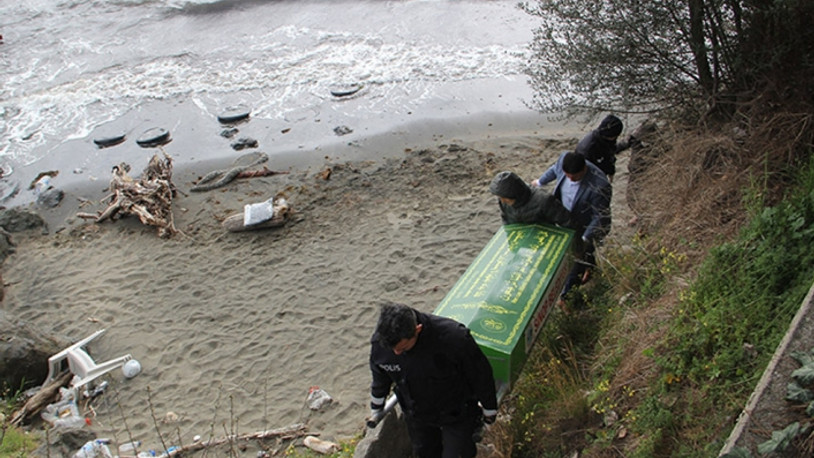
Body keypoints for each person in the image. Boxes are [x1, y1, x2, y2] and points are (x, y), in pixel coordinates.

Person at [369, 302, 498, 458]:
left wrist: (489, 408)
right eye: (393, 349)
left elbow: (480, 374)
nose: (396, 353)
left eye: (402, 348)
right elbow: (380, 376)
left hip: (457, 412)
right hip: (417, 414)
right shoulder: (382, 343)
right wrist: (376, 407)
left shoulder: (453, 338)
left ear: (417, 330)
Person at [532, 152, 611, 303]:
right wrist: (540, 182)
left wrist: (583, 239)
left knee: (576, 259)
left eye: (574, 177)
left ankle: (566, 296)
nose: (570, 179)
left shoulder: (600, 185)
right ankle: (590, 267)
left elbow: (600, 217)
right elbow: (554, 170)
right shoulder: (563, 160)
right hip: (564, 215)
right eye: (567, 176)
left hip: (583, 225)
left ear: (584, 169)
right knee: (584, 256)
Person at [488, 171, 570, 226]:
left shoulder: (544, 200)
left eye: (505, 198)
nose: (502, 201)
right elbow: (506, 220)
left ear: (514, 194)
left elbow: (567, 221)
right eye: (500, 197)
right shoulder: (503, 201)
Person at [575, 114, 634, 183]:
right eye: (615, 136)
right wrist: (609, 170)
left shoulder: (603, 138)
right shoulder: (588, 148)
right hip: (586, 177)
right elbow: (588, 171)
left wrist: (626, 144)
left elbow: (611, 150)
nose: (615, 138)